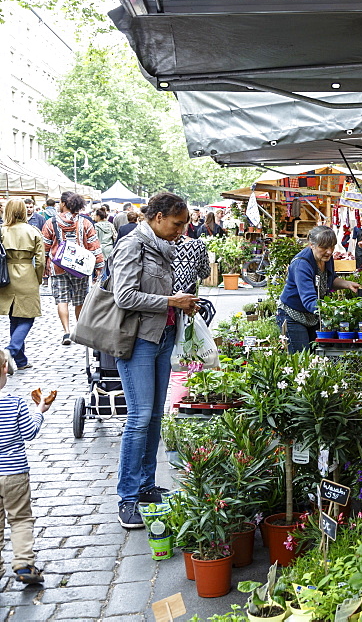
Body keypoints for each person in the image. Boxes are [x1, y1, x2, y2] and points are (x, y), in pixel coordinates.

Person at [111, 192, 198, 528]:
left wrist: (182, 304)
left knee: (154, 417)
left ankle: (147, 486)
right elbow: (125, 295)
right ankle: (128, 497)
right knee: (139, 416)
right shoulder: (133, 245)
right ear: (158, 217)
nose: (181, 231)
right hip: (138, 341)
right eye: (177, 224)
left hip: (162, 338)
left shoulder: (164, 246)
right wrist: (171, 301)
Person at [0, 351, 50, 584]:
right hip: (15, 474)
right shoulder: (15, 402)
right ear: (4, 369)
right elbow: (30, 432)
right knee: (20, 519)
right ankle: (23, 564)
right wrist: (39, 412)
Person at [277, 226, 361, 353]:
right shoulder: (302, 264)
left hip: (313, 315)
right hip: (293, 315)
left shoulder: (326, 258)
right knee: (302, 359)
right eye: (324, 247)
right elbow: (309, 301)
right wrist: (335, 310)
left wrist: (347, 284)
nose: (329, 251)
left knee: (316, 356)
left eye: (332, 246)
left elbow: (329, 280)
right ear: (312, 245)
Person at [41, 192, 105, 346]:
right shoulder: (85, 223)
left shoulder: (51, 223)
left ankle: (66, 331)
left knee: (61, 300)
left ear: (63, 204)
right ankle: (79, 330)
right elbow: (94, 246)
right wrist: (99, 267)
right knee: (79, 300)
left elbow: (44, 247)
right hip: (80, 268)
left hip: (57, 267)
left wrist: (43, 268)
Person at [0, 201, 44, 370]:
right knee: (27, 317)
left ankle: (20, 361)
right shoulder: (33, 231)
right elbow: (40, 261)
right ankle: (11, 351)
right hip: (26, 275)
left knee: (14, 317)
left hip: (6, 276)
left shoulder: (2, 231)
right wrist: (37, 279)